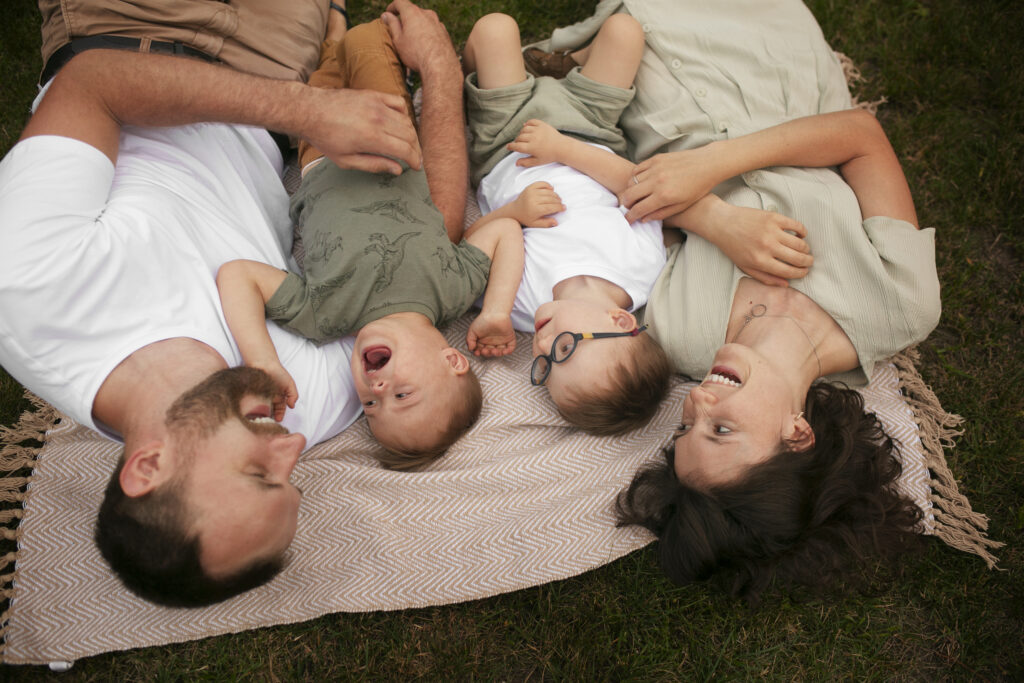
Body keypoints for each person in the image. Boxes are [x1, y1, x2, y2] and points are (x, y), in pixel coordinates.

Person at [0, 0, 443, 607]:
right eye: (291, 482)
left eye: (259, 474)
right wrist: (439, 71)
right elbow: (424, 255)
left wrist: (313, 110)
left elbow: (92, 85)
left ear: (148, 468)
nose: (292, 448)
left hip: (132, 30)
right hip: (274, 74)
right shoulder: (304, 401)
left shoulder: (27, 294)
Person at [533, 0, 941, 598]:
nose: (697, 401)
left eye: (685, 430)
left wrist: (719, 220)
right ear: (797, 434)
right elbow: (861, 139)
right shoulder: (900, 306)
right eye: (721, 429)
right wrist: (719, 165)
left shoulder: (678, 335)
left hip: (656, 86)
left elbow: (640, 220)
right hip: (769, 59)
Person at [216, 14, 525, 469]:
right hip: (386, 130)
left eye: (372, 408)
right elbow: (504, 232)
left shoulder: (326, 316)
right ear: (451, 360)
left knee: (322, 66)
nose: (376, 391)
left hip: (317, 149)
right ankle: (346, 27)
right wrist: (497, 311)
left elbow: (237, 275)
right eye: (403, 394)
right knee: (366, 42)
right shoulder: (453, 291)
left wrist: (261, 359)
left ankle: (331, 23)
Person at [459, 12, 674, 435]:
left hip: (508, 141)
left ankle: (521, 68)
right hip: (588, 130)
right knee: (625, 32)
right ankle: (562, 63)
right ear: (621, 323)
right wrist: (561, 147)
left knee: (495, 28)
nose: (539, 346)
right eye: (563, 349)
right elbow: (632, 184)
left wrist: (514, 213)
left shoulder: (519, 307)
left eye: (543, 365)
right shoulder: (641, 269)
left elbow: (471, 241)